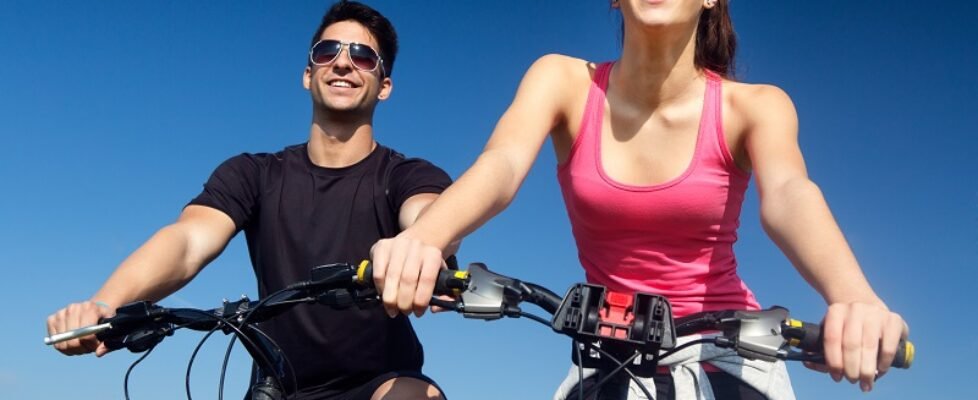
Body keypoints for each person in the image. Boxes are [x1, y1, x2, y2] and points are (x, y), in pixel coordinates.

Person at [369, 0, 908, 399]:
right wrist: (425, 238)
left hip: (728, 352)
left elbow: (790, 194)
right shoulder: (561, 80)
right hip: (608, 350)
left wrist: (854, 298)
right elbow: (502, 163)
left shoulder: (757, 106)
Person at [45, 2, 451, 399]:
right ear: (308, 75)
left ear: (384, 86)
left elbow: (431, 216)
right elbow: (188, 241)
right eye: (328, 51)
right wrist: (106, 302)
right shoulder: (254, 174)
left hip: (380, 383)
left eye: (362, 56)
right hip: (276, 387)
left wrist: (421, 243)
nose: (343, 63)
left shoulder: (406, 176)